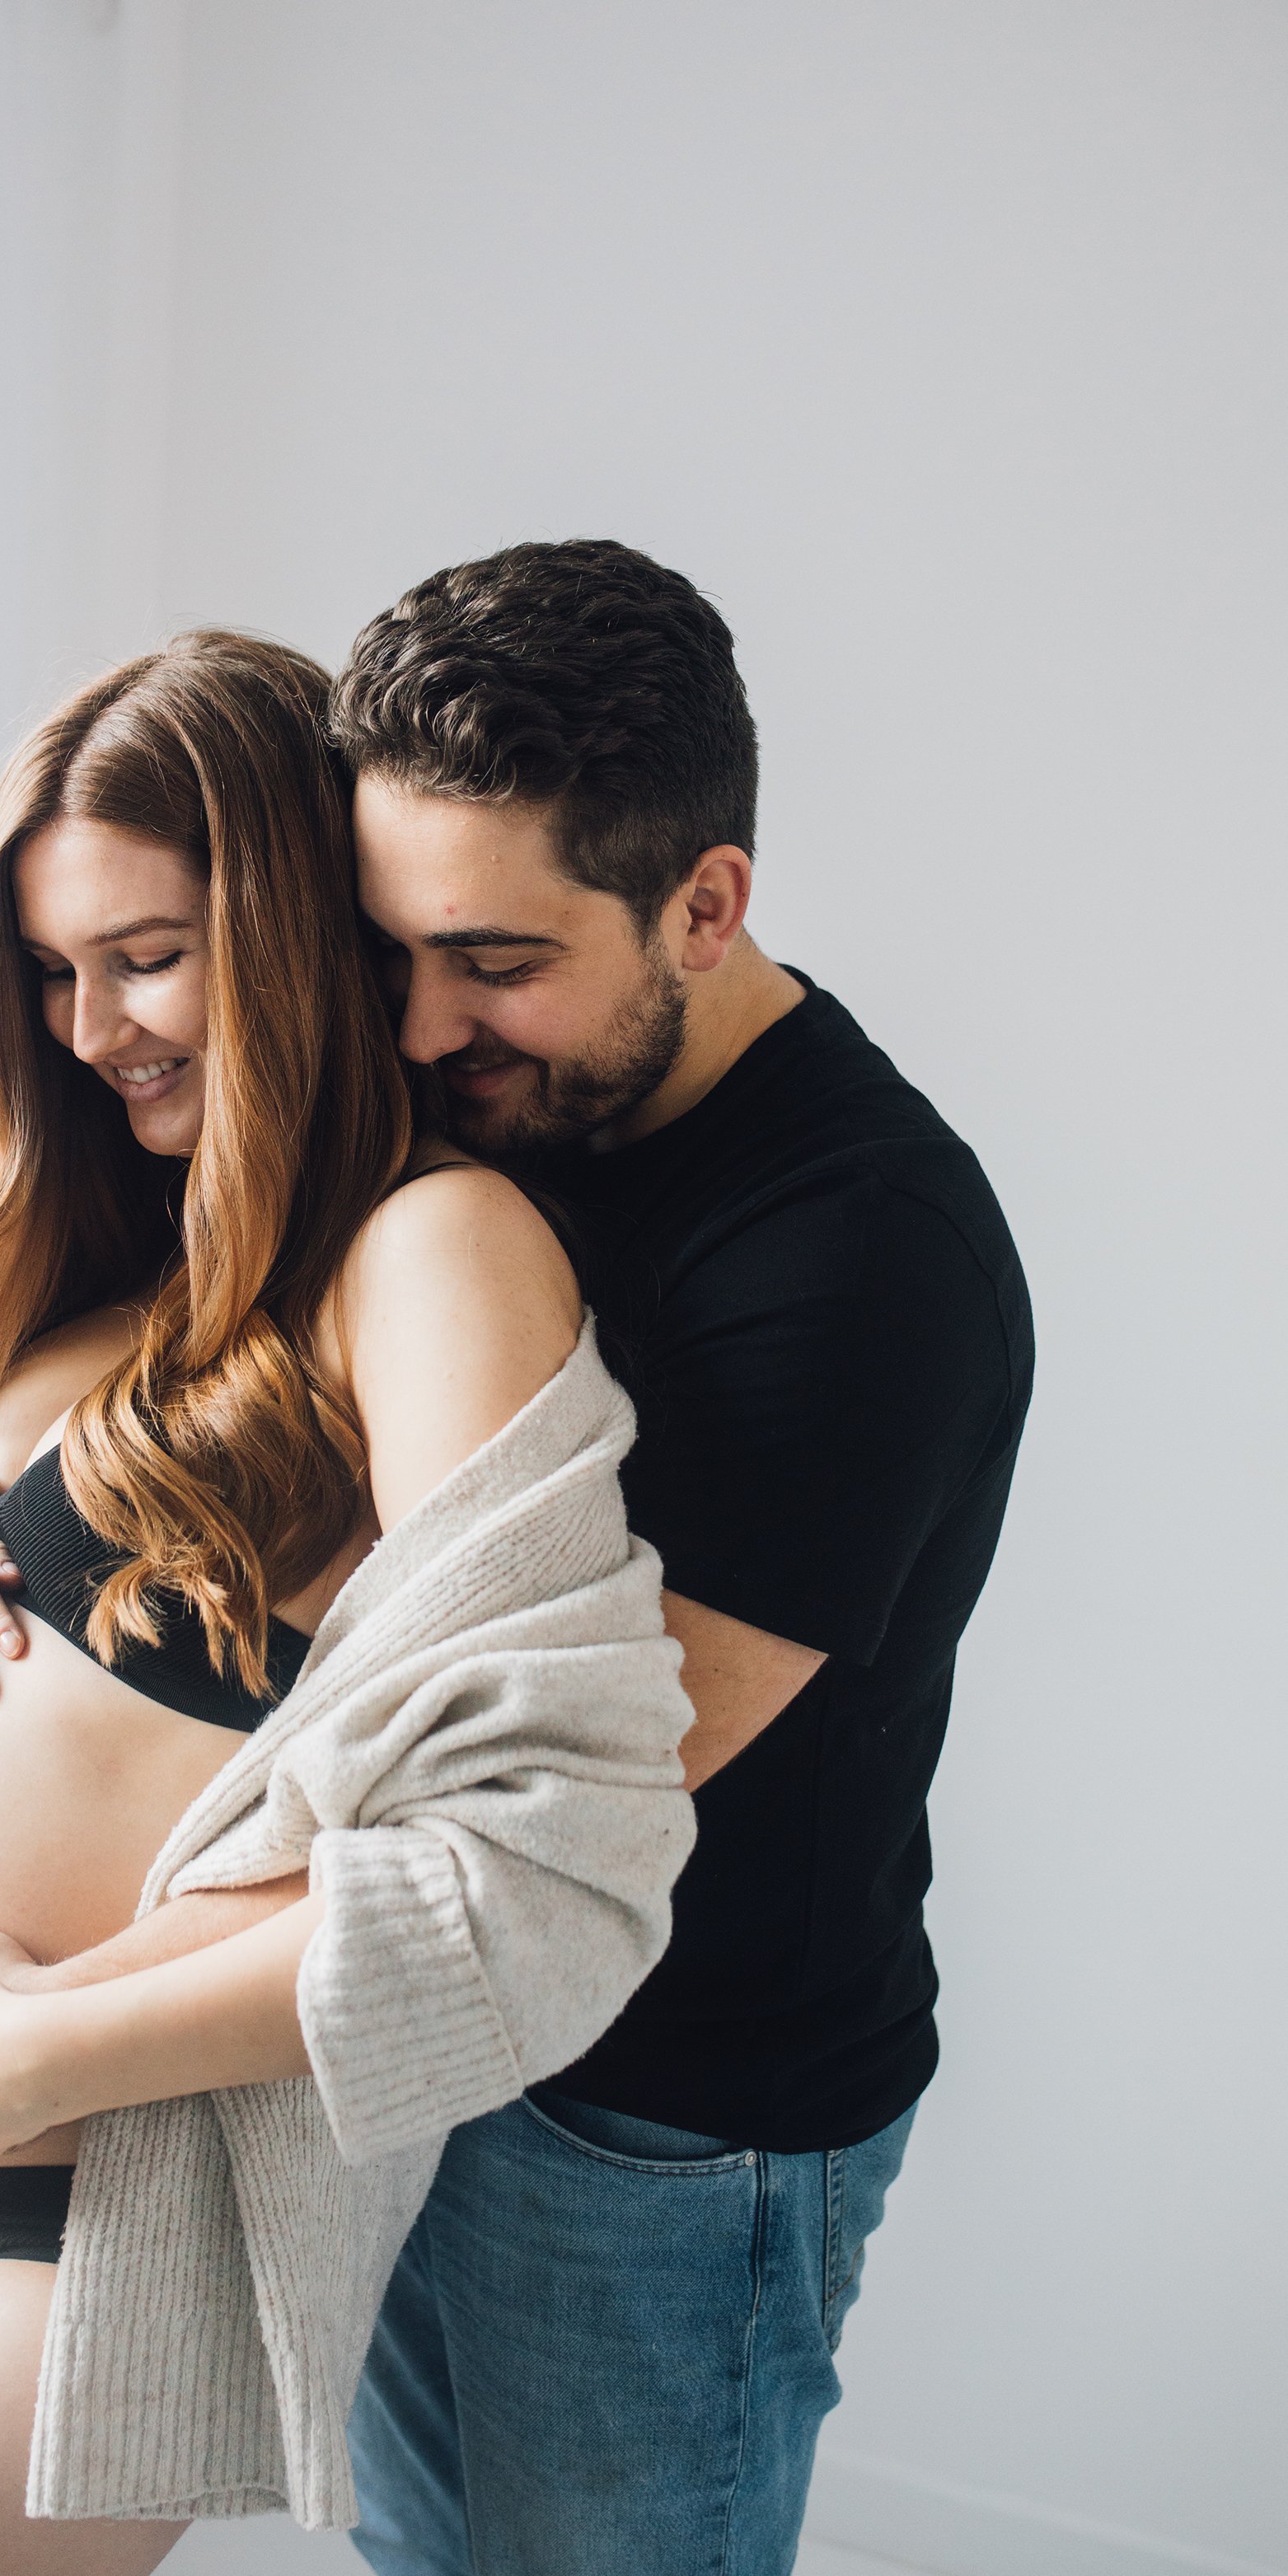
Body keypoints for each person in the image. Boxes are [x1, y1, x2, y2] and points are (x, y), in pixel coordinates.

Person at [0, 629, 695, 2574]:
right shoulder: (115, 1264)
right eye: (53, 973)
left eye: (144, 955)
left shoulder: (426, 1254)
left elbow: (552, 1854)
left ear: (303, 927)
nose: (90, 1027)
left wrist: (29, 2050)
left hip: (98, 2194)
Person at [327, 537, 1034, 2576]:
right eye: (390, 953)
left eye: (494, 961)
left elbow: (559, 1772)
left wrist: (73, 2013)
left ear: (703, 904)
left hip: (670, 2133)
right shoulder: (489, 1110)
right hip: (439, 2037)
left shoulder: (859, 1259)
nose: (419, 1026)